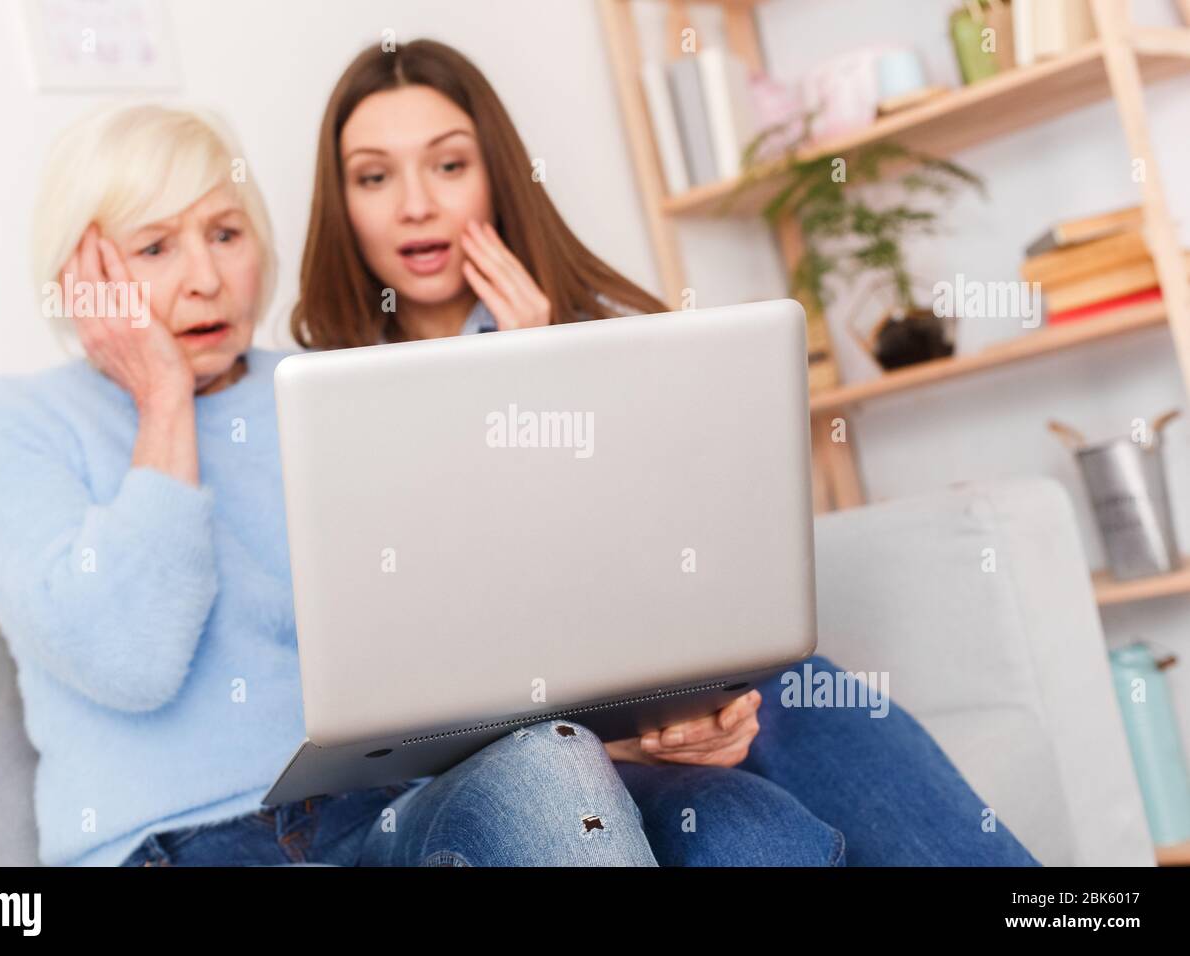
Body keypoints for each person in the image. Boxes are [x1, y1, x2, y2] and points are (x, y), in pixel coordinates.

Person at [289, 38, 1041, 866]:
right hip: (503, 752)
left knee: (793, 694)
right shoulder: (326, 397)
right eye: (374, 176)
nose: (415, 206)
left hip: (660, 695)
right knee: (717, 813)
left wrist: (548, 368)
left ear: (497, 176)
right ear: (344, 203)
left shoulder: (609, 334)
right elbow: (401, 664)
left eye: (448, 165)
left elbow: (689, 570)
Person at [0, 103, 658, 867]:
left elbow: (462, 625)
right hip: (175, 842)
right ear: (82, 279)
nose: (206, 280)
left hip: (377, 811)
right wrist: (164, 400)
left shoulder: (331, 390)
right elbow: (128, 660)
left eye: (225, 234)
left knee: (552, 759)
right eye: (154, 247)